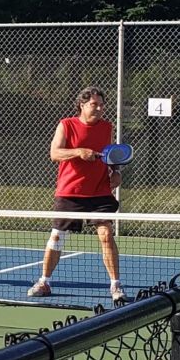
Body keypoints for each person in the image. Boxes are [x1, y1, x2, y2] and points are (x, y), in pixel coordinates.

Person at [28, 87, 125, 302]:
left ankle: (116, 287)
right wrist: (78, 151)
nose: (99, 109)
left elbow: (110, 154)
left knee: (106, 235)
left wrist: (116, 172)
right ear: (81, 105)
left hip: (99, 191)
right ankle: (44, 282)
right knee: (57, 238)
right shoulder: (66, 125)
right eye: (94, 105)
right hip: (70, 190)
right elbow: (54, 153)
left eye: (102, 105)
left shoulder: (107, 127)